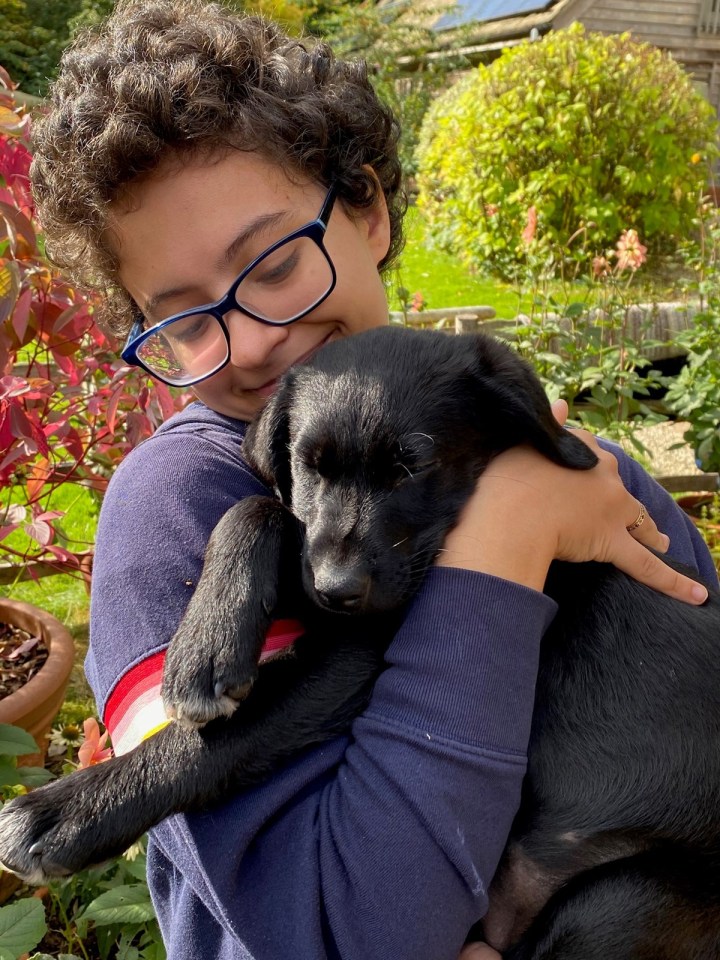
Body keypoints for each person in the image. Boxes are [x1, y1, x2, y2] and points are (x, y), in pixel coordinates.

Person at [30, 2, 715, 958]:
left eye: (272, 263)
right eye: (183, 317)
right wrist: (506, 537)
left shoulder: (590, 479)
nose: (255, 340)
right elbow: (341, 932)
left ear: (369, 208)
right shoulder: (175, 510)